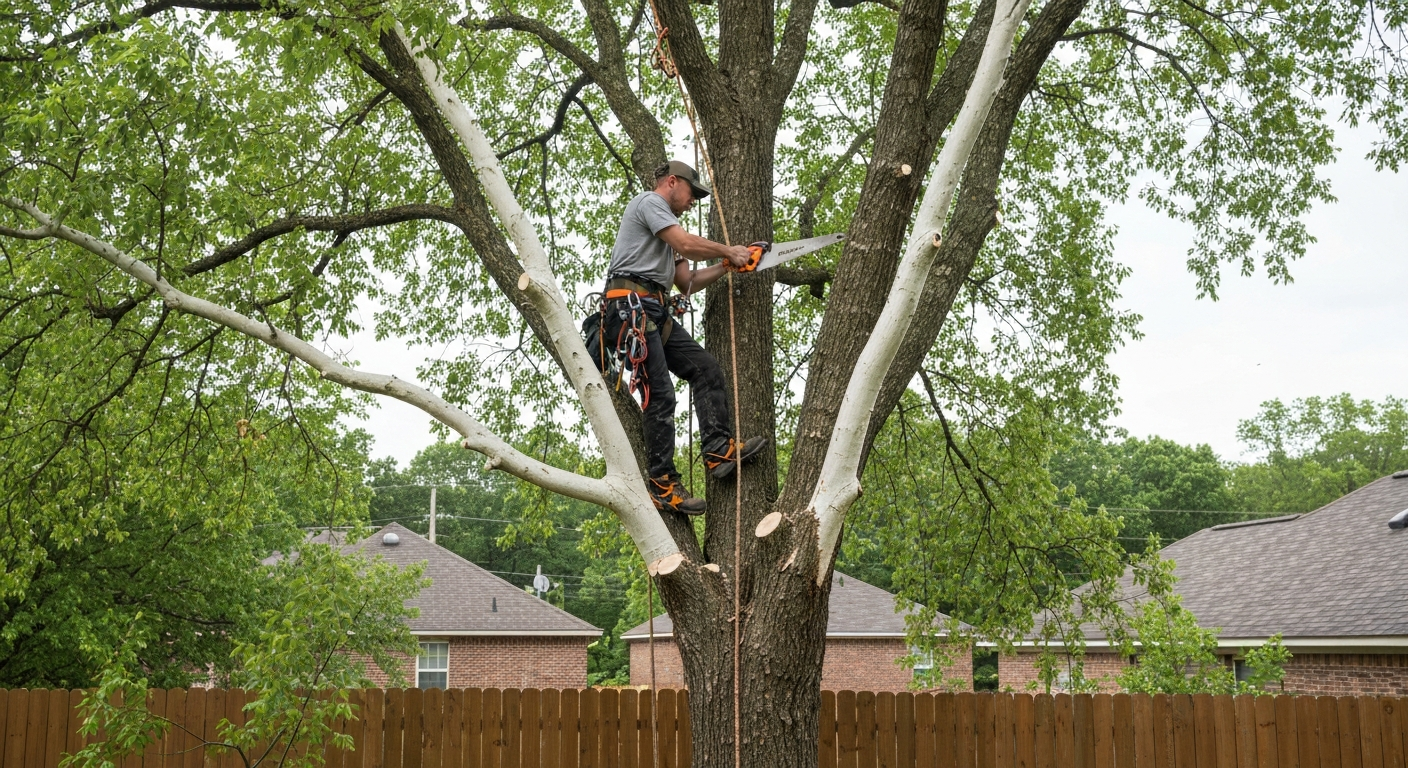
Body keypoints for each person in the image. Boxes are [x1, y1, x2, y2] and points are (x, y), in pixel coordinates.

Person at [599, 161, 767, 515]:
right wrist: (729, 250)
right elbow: (687, 244)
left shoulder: (666, 231)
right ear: (672, 182)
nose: (693, 202)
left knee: (705, 369)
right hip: (629, 307)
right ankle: (661, 484)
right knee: (661, 394)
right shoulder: (649, 203)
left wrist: (725, 265)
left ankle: (718, 450)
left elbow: (686, 281)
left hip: (653, 310)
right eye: (692, 194)